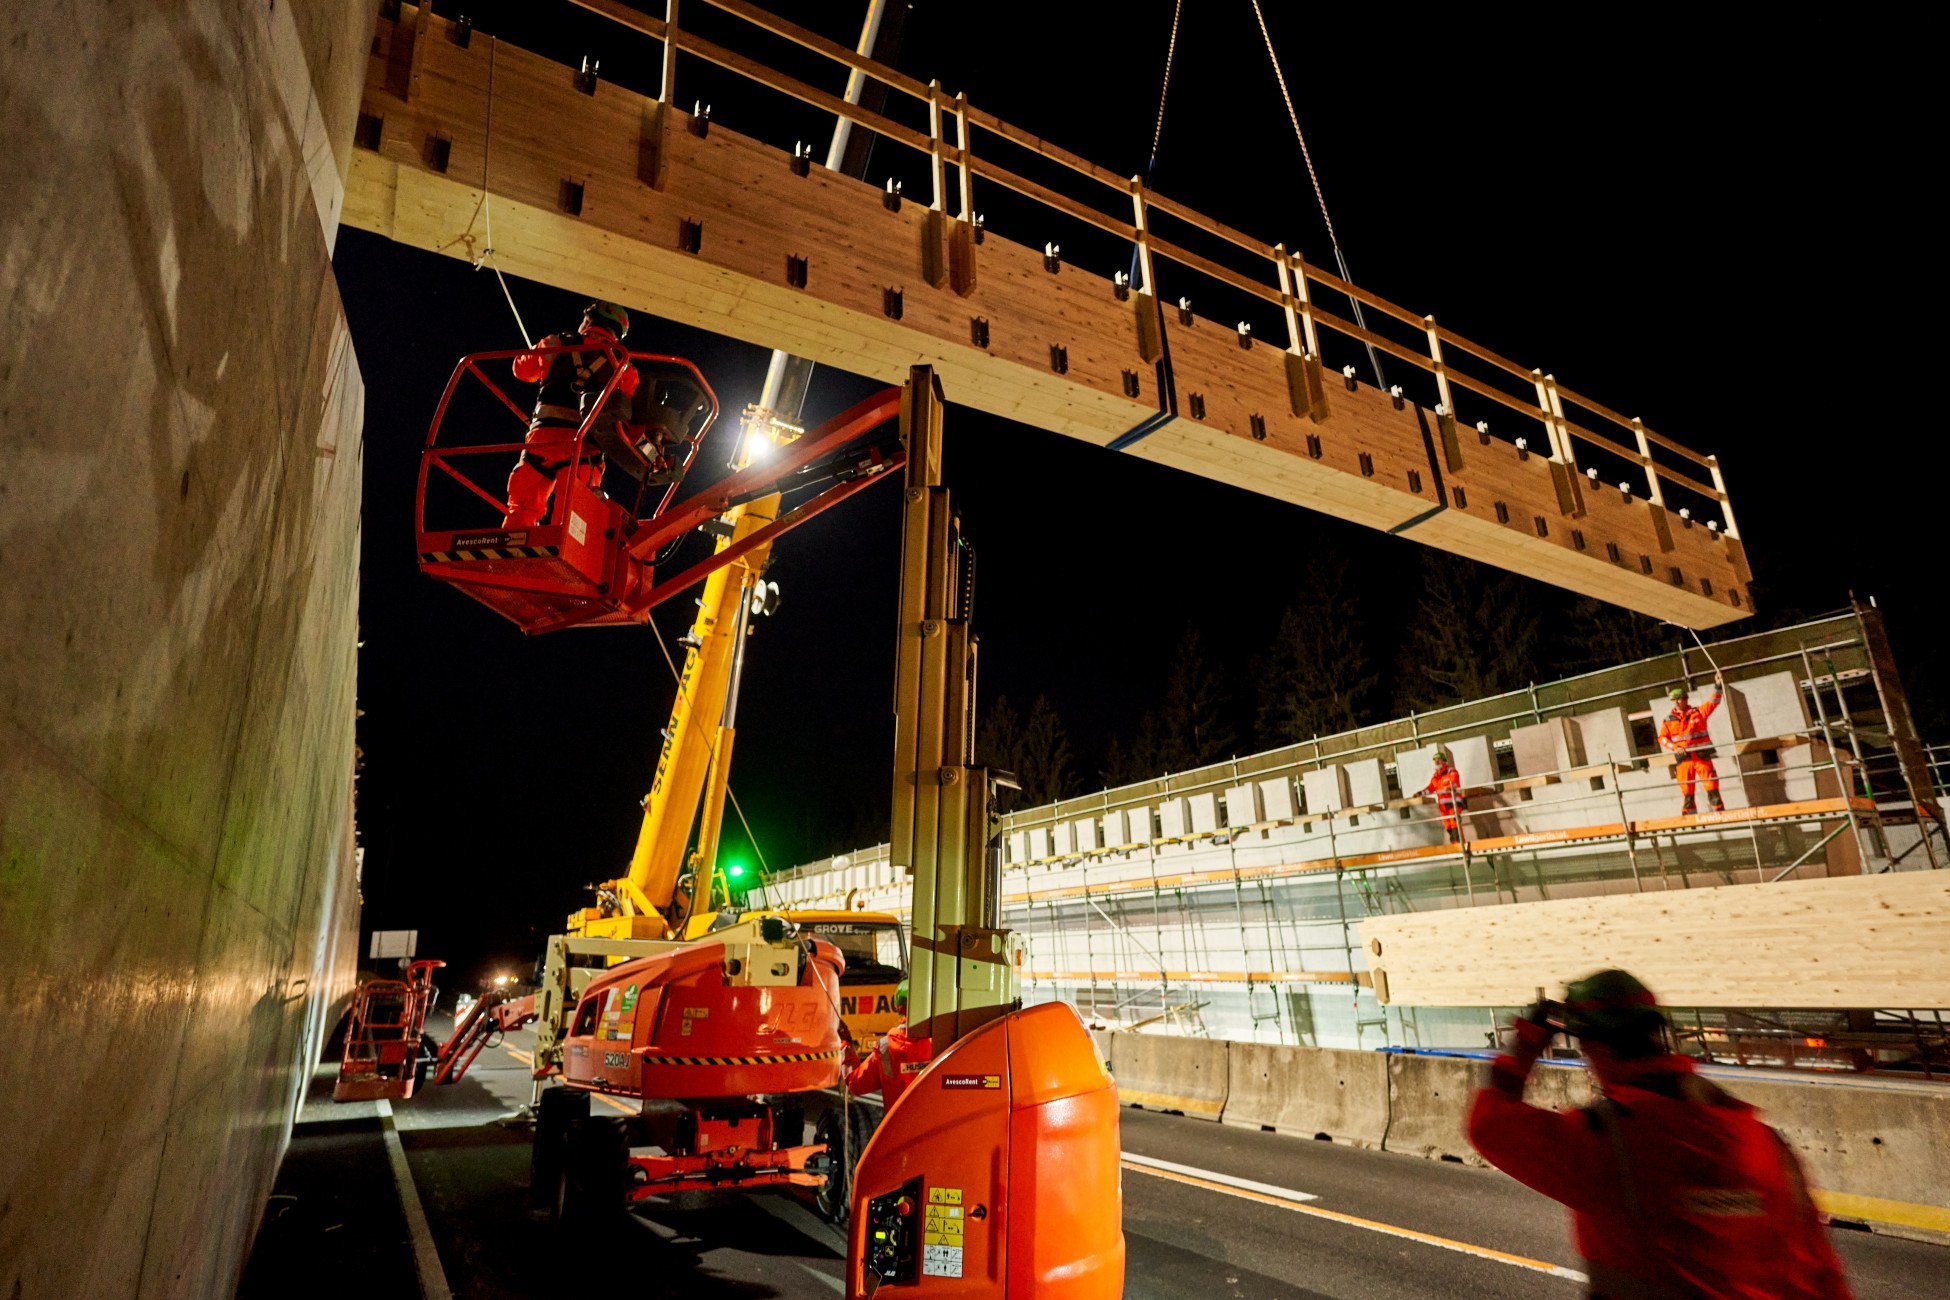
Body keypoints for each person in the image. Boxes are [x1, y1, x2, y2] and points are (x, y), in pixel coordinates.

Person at [1466, 969, 1852, 1299]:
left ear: (1594, 1046)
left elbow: (1489, 1124)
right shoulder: (1764, 1140)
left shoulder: (1608, 1141)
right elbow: (1824, 1274)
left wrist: (1527, 1042)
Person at [501, 301, 639, 528]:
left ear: (588, 320)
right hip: (584, 449)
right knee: (572, 518)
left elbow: (521, 370)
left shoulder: (555, 343)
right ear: (616, 334)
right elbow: (628, 417)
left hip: (542, 442)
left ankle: (512, 549)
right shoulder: (624, 367)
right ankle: (562, 552)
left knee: (522, 507)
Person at [845, 980, 933, 1109]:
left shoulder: (885, 1046)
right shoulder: (941, 1042)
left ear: (897, 1006)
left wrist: (846, 1048)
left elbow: (856, 1084)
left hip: (898, 1126)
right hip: (936, 1126)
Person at [1659, 679, 1726, 816]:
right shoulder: (1668, 720)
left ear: (1685, 699)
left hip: (1701, 755)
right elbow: (1662, 738)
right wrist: (1674, 747)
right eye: (1674, 700)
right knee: (1686, 786)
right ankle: (1689, 813)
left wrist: (1718, 686)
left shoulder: (1698, 712)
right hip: (1684, 757)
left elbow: (1714, 702)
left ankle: (1717, 808)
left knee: (1711, 782)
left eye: (1679, 699)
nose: (1676, 703)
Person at [1421, 748, 1465, 843]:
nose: (1436, 762)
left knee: (1454, 824)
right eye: (1435, 761)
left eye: (1439, 760)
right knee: (1447, 826)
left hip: (1453, 803)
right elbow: (1430, 788)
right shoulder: (1436, 777)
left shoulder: (1451, 771)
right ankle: (1455, 846)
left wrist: (1449, 787)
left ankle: (1460, 846)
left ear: (1444, 761)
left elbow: (1454, 782)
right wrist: (1420, 793)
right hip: (1443, 807)